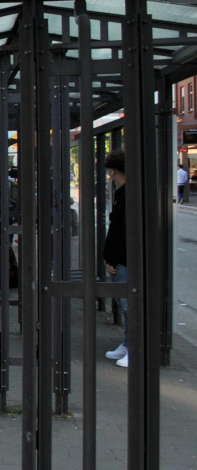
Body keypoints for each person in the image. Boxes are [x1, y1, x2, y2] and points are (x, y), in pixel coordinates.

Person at [104, 151, 129, 367]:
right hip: (120, 258)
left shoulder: (127, 195)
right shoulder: (122, 193)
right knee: (125, 302)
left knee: (128, 303)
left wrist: (112, 258)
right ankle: (128, 344)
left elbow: (120, 232)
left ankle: (134, 346)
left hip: (124, 259)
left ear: (113, 171)